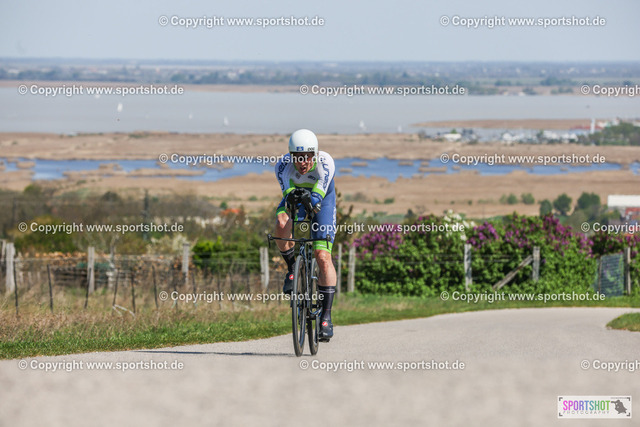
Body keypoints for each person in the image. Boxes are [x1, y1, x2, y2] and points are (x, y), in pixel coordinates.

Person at [274, 129, 337, 341]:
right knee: (281, 221)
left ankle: (326, 317)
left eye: (307, 157)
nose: (302, 162)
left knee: (323, 256)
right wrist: (291, 204)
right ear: (291, 156)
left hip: (322, 200)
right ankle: (293, 267)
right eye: (297, 157)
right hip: (296, 197)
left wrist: (311, 202)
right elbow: (288, 195)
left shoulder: (325, 162)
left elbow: (317, 197)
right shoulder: (282, 166)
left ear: (315, 154)